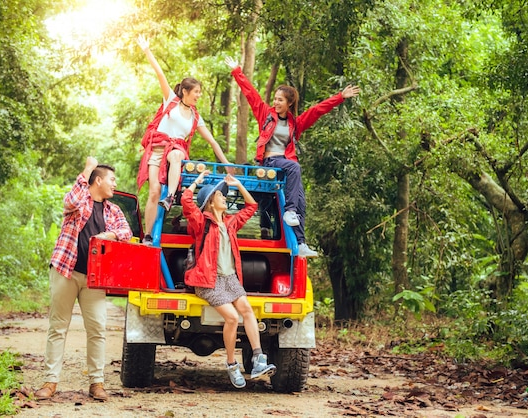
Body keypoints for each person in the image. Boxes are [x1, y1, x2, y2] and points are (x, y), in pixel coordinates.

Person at [225, 56, 360, 257]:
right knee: (294, 170)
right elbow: (250, 94)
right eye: (276, 99)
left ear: (289, 103)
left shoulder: (294, 123)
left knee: (301, 201)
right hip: (271, 163)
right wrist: (237, 71)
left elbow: (317, 111)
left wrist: (340, 96)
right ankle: (289, 211)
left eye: (280, 100)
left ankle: (301, 244)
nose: (276, 102)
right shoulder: (265, 114)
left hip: (286, 165)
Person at [34, 157, 132, 402]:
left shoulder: (113, 210)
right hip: (65, 270)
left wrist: (110, 233)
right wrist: (88, 168)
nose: (114, 184)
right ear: (97, 180)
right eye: (111, 179)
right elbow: (70, 200)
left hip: (94, 278)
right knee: (58, 327)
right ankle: (50, 381)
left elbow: (127, 232)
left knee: (97, 328)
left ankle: (96, 383)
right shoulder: (80, 202)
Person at [181, 171, 276, 388]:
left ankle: (258, 359)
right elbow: (186, 201)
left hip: (230, 279)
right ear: (210, 202)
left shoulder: (231, 223)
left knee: (247, 311)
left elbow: (251, 207)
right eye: (220, 195)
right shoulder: (200, 221)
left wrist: (239, 184)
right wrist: (197, 181)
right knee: (232, 318)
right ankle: (232, 365)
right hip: (207, 280)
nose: (225, 197)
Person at [136, 35, 233, 245]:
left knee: (178, 154)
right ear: (186, 92)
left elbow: (213, 142)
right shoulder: (171, 101)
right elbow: (160, 74)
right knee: (153, 192)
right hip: (157, 149)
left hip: (174, 152)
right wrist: (147, 50)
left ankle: (170, 196)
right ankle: (148, 235)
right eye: (196, 92)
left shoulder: (196, 117)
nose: (199, 95)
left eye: (200, 92)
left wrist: (227, 166)